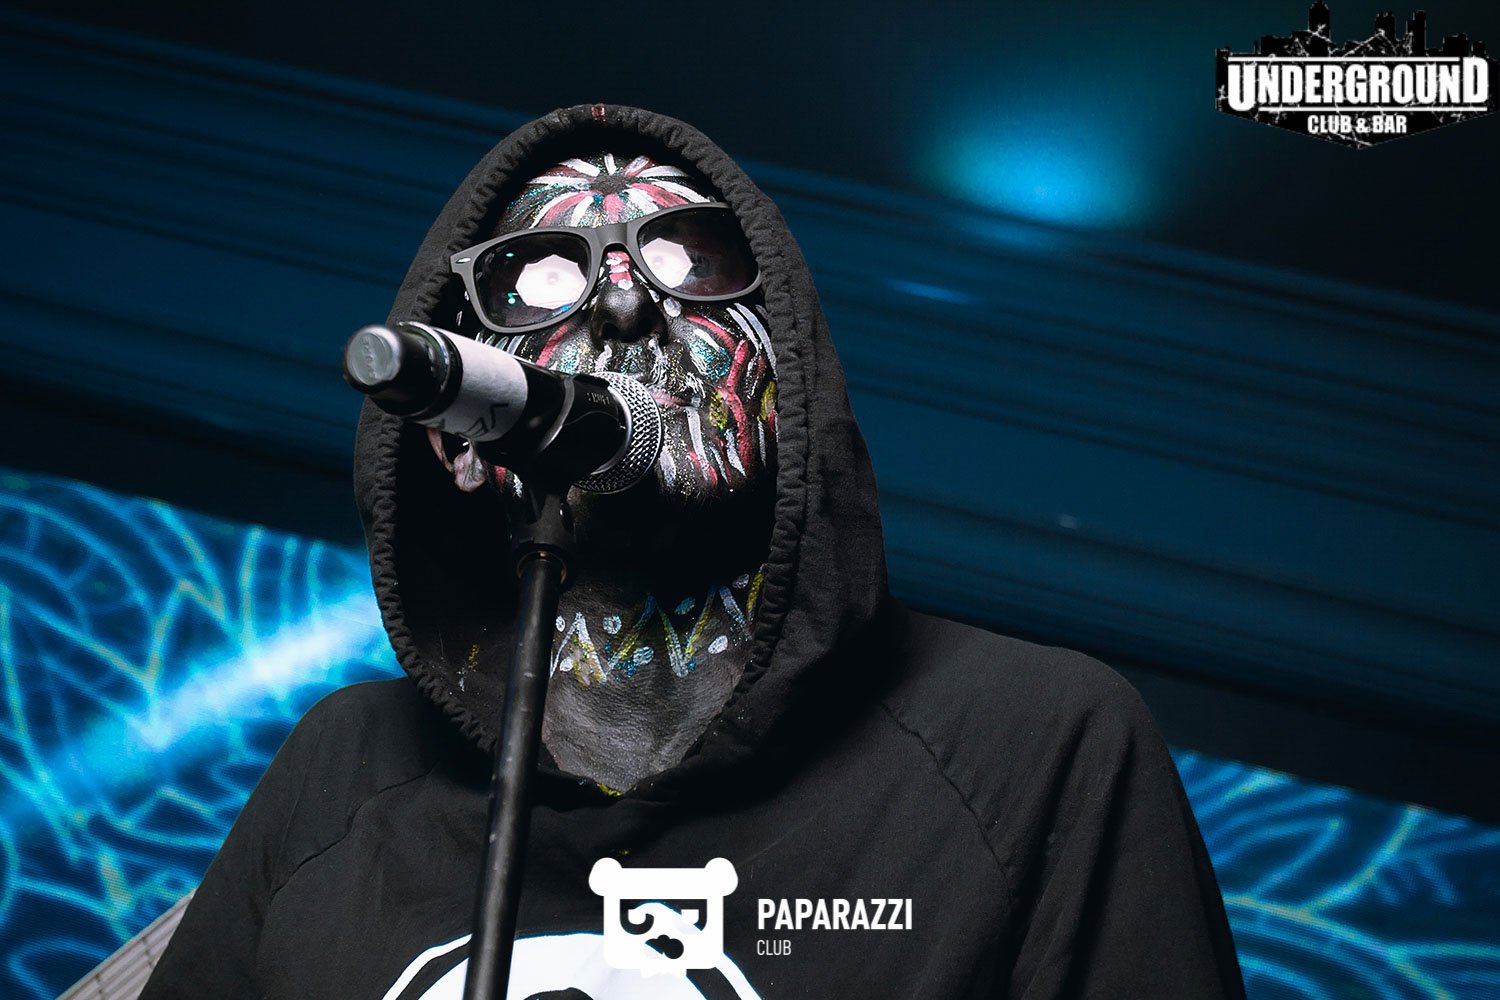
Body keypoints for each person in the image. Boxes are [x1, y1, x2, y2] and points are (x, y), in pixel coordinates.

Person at [140, 103, 1246, 999]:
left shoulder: (1035, 743)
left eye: (692, 257)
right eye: (544, 274)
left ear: (789, 380)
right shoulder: (345, 768)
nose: (626, 300)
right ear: (457, 441)